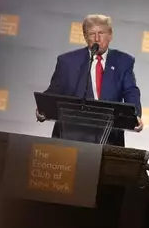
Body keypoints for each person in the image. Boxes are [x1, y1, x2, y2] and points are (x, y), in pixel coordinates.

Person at [36, 14, 143, 146]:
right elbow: (54, 91)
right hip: (70, 137)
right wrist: (43, 108)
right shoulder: (68, 62)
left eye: (101, 33)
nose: (97, 38)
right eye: (92, 34)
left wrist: (136, 115)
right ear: (85, 37)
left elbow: (130, 91)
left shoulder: (123, 61)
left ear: (110, 35)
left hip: (108, 139)